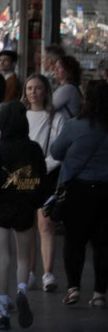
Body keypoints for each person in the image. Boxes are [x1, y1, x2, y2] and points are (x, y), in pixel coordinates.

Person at [0, 101, 48, 331]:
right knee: (24, 255)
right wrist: (38, 202)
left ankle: (4, 310)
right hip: (25, 207)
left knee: (2, 257)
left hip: (0, 210)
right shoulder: (34, 149)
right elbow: (42, 180)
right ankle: (22, 290)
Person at [50, 80, 108, 308]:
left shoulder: (75, 125)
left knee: (74, 241)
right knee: (103, 244)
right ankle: (99, 293)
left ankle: (73, 288)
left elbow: (56, 152)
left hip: (77, 191)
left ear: (87, 100)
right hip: (106, 191)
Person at [24, 73, 63, 292]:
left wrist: (41, 168)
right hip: (23, 176)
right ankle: (30, 272)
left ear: (46, 91)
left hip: (46, 176)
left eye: (38, 88)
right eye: (29, 88)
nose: (33, 92)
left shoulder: (55, 118)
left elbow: (58, 150)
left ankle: (47, 272)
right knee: (26, 227)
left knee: (46, 225)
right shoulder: (21, 115)